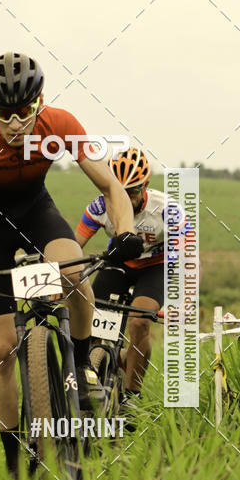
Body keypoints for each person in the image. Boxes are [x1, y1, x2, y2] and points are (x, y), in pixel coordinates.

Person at [0, 52, 142, 480]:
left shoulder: (62, 124)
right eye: (4, 114)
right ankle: (13, 455)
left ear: (40, 101)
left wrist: (124, 231)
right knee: (1, 348)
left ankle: (80, 359)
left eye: (26, 112)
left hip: (37, 211)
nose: (16, 123)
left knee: (73, 273)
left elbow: (110, 184)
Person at [75, 146, 179, 412]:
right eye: (120, 191)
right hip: (119, 263)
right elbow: (74, 246)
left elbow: (188, 256)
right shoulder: (100, 206)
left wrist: (181, 300)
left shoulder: (167, 210)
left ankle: (132, 397)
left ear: (145, 186)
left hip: (156, 267)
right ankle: (99, 370)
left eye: (133, 191)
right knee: (92, 323)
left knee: (140, 322)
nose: (127, 199)